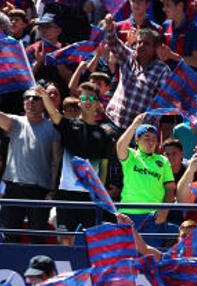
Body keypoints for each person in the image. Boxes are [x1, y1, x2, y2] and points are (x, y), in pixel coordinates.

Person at [42, 82, 115, 243]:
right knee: (65, 241)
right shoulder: (68, 125)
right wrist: (44, 96)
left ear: (97, 103)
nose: (88, 101)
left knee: (92, 242)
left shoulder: (104, 134)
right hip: (66, 195)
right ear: (79, 101)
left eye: (92, 98)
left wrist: (100, 194)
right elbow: (54, 114)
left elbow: (104, 166)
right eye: (84, 97)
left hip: (90, 197)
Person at [0, 86, 60, 242]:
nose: (30, 101)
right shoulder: (14, 122)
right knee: (10, 238)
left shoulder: (53, 128)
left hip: (40, 192)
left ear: (44, 102)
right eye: (27, 97)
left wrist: (52, 191)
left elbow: (55, 162)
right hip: (13, 190)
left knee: (38, 239)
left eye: (36, 98)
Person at [116, 114, 176, 237]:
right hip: (128, 214)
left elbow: (170, 188)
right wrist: (135, 124)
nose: (151, 142)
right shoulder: (131, 156)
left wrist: (165, 210)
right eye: (147, 138)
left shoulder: (163, 160)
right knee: (129, 254)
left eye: (154, 139)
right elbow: (120, 147)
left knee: (152, 253)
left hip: (153, 215)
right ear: (137, 140)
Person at [159, 0, 197, 70]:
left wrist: (173, 56)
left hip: (187, 79)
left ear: (180, 6)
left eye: (168, 5)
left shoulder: (195, 29)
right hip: (167, 77)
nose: (164, 9)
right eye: (164, 6)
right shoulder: (165, 25)